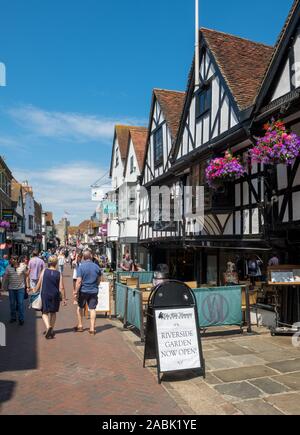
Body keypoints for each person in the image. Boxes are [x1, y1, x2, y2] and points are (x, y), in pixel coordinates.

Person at [34, 255, 67, 339]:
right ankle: (51, 330)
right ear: (56, 263)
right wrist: (64, 298)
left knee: (44, 312)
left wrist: (35, 290)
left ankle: (48, 327)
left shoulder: (44, 271)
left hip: (45, 294)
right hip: (55, 295)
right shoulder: (59, 273)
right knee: (53, 313)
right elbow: (61, 287)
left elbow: (39, 282)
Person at [74, 250, 102, 335]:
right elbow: (99, 279)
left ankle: (80, 325)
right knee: (92, 309)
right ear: (90, 257)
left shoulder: (81, 267)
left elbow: (79, 281)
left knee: (80, 307)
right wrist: (96, 285)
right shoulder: (96, 267)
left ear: (83, 257)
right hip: (93, 290)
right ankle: (92, 328)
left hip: (83, 290)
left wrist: (75, 291)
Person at [3, 256, 29, 325]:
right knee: (12, 304)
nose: (11, 260)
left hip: (20, 288)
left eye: (12, 259)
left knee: (20, 304)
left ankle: (21, 319)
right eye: (10, 259)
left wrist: (28, 270)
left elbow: (27, 274)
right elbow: (5, 277)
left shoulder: (22, 266)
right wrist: (3, 286)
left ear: (17, 260)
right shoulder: (8, 267)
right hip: (11, 289)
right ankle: (13, 317)